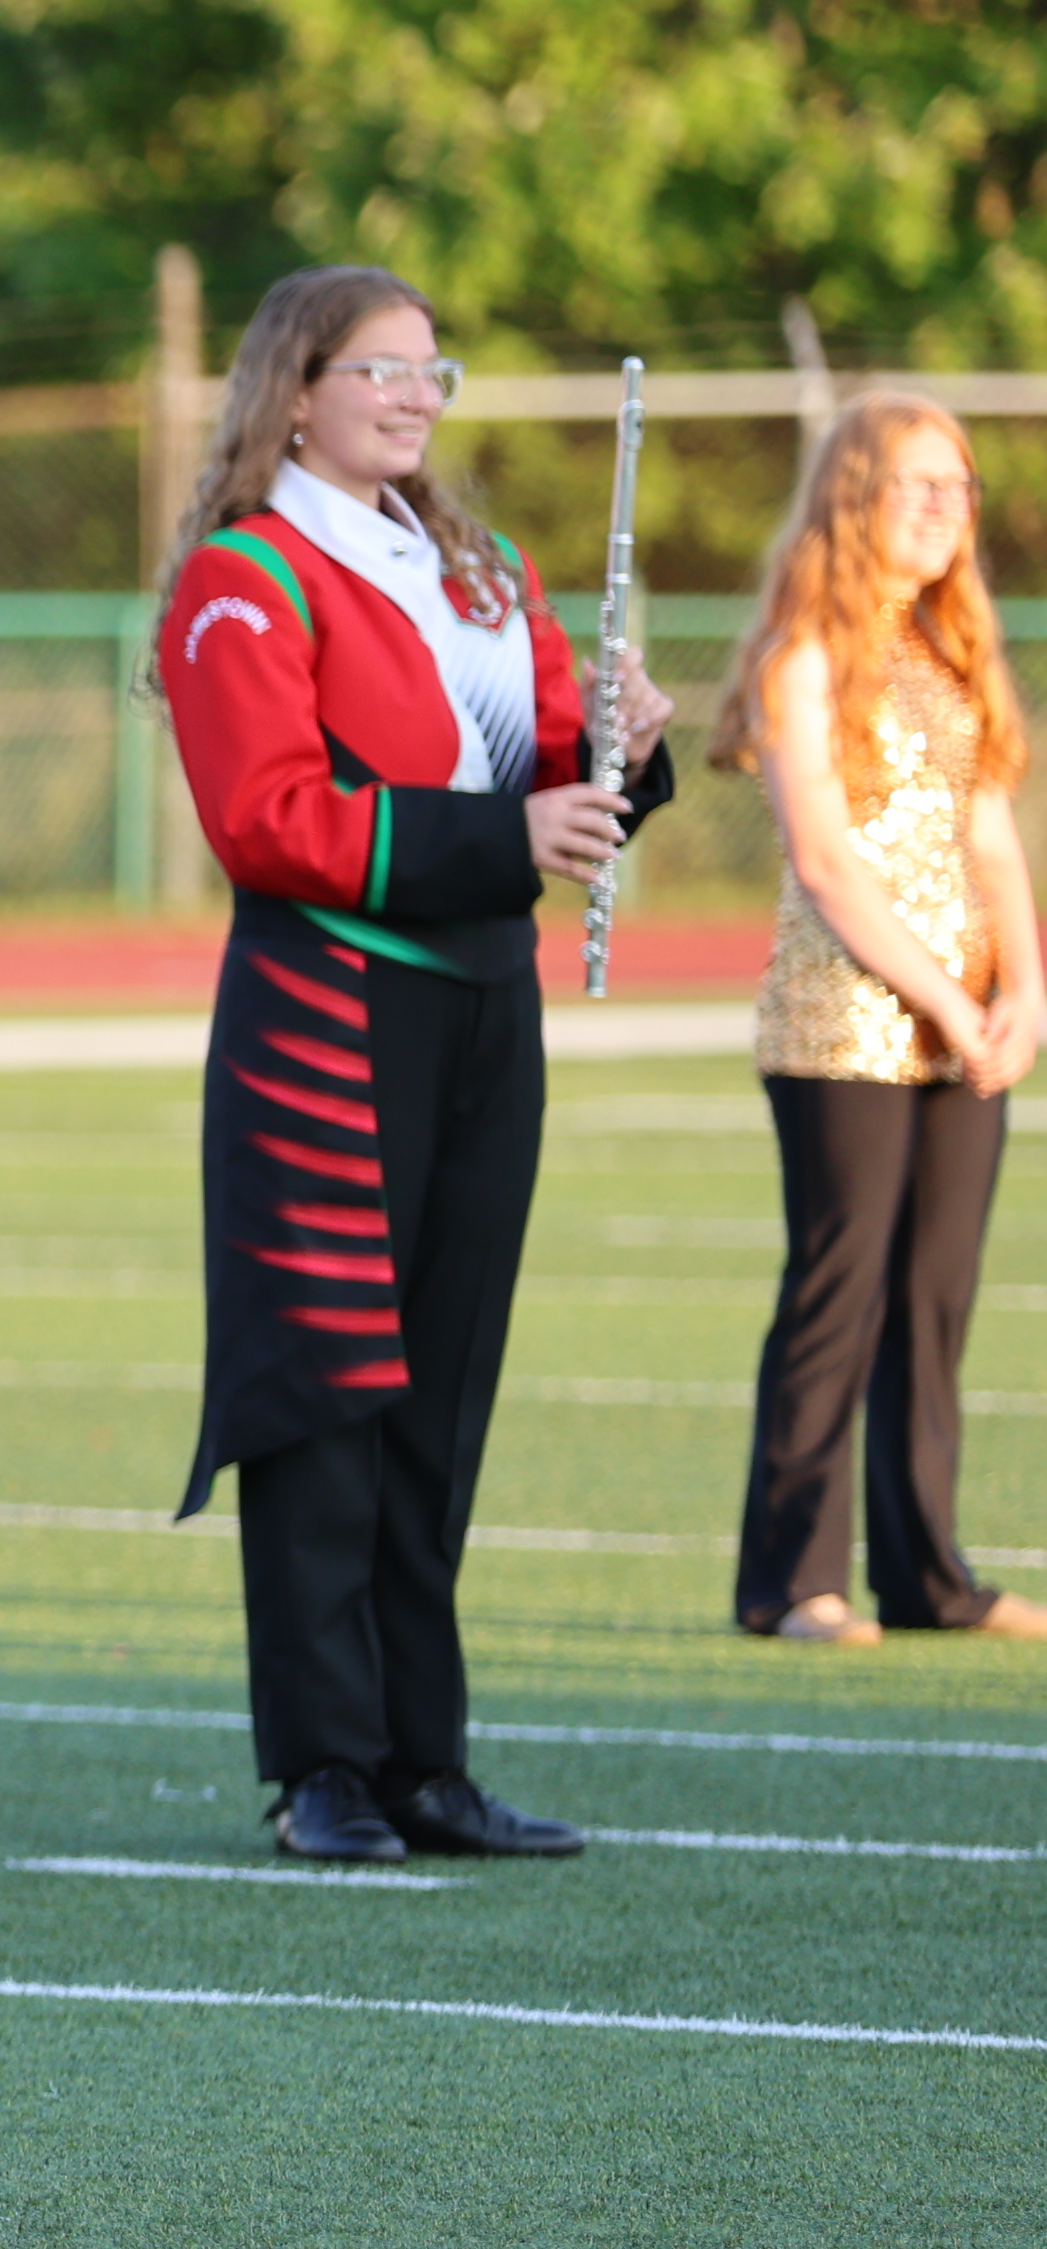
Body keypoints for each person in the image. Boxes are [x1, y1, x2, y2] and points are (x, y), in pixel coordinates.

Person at [154, 270, 672, 1861]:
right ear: (292, 390)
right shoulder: (245, 577)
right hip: (326, 1008)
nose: (412, 395)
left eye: (428, 369)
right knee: (326, 1390)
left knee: (441, 1392)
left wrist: (630, 756)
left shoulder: (490, 570)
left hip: (480, 1013)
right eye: (375, 369)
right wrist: (504, 832)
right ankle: (323, 1763)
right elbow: (265, 820)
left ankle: (424, 1763)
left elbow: (565, 785)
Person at [708, 395, 1037, 1645]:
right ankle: (792, 1580)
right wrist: (949, 998)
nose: (947, 507)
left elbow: (993, 838)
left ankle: (930, 1576)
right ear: (855, 496)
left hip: (967, 1030)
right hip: (844, 1023)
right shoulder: (807, 650)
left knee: (935, 1295)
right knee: (837, 1291)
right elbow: (829, 863)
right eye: (917, 484)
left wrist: (1026, 992)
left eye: (959, 486)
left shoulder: (955, 652)